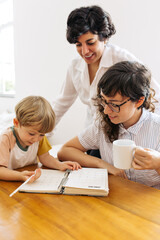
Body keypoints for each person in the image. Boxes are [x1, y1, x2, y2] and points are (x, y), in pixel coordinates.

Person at [52, 5, 160, 155]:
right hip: (96, 132)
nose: (84, 51)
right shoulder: (75, 66)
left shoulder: (123, 60)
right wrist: (39, 136)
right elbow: (60, 104)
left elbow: (155, 97)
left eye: (90, 43)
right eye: (78, 45)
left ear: (105, 38)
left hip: (124, 134)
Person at [58, 61, 160, 189]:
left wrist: (158, 164)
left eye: (114, 104)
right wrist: (102, 164)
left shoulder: (157, 128)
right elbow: (65, 151)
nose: (106, 110)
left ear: (139, 101)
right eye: (104, 101)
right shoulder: (103, 125)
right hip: (114, 199)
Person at [0, 96, 81, 182]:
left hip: (26, 175)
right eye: (31, 134)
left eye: (42, 134)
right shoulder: (5, 139)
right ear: (16, 123)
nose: (36, 139)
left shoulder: (40, 138)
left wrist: (60, 165)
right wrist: (20, 176)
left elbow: (45, 157)